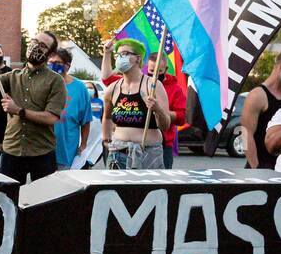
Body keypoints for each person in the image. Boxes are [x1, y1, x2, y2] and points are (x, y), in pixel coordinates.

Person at [0, 31, 66, 184]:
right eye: (35, 41)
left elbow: (51, 117)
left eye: (42, 46)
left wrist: (18, 110)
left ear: (50, 54)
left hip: (42, 152)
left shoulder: (55, 80)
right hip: (12, 150)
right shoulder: (12, 76)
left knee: (43, 202)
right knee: (9, 201)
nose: (36, 46)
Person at [102, 39, 172, 170]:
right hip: (118, 152)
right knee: (119, 190)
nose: (119, 58)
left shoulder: (153, 85)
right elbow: (107, 117)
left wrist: (158, 109)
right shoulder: (113, 88)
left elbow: (165, 125)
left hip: (148, 152)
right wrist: (106, 139)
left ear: (137, 58)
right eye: (117, 55)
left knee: (148, 190)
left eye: (125, 54)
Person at [50, 48, 91, 170]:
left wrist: (83, 144)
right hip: (42, 152)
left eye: (56, 63)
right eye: (50, 62)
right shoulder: (44, 83)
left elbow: (86, 120)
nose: (52, 65)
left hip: (66, 152)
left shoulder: (79, 88)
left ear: (67, 66)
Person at [147, 51, 187, 169]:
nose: (154, 75)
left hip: (163, 145)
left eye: (159, 71)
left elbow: (183, 116)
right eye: (151, 71)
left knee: (161, 183)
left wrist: (160, 111)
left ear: (166, 69)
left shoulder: (175, 89)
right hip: (141, 142)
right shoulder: (141, 83)